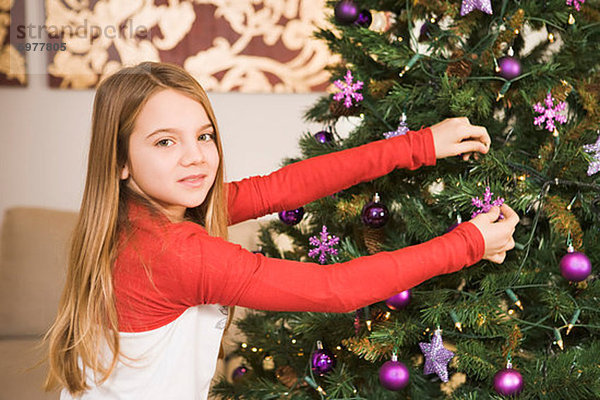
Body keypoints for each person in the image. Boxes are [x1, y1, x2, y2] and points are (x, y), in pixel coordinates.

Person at [39, 61, 519, 399]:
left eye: (204, 135)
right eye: (165, 141)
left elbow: (280, 188)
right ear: (120, 161)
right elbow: (335, 289)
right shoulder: (175, 252)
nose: (195, 156)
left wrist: (418, 146)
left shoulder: (136, 215)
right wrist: (470, 242)